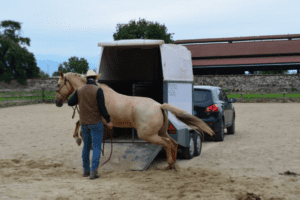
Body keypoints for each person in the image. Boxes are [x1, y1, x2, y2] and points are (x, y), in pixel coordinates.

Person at [68, 70, 113, 180]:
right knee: (97, 147)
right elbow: (102, 108)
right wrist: (108, 121)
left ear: (87, 79)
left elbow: (70, 102)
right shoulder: (98, 90)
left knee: (86, 147)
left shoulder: (79, 90)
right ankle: (94, 172)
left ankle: (86, 170)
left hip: (84, 123)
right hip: (96, 123)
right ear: (95, 79)